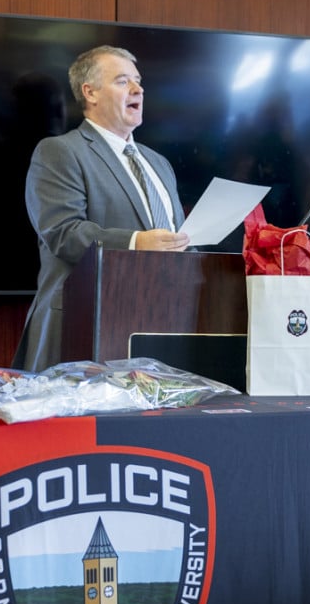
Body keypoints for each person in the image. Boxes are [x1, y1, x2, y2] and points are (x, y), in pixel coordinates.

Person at [13, 45, 190, 372]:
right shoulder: (60, 151)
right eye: (123, 81)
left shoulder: (159, 163)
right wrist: (137, 242)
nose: (138, 89)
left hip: (158, 326)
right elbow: (63, 232)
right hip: (84, 327)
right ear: (90, 92)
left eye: (138, 81)